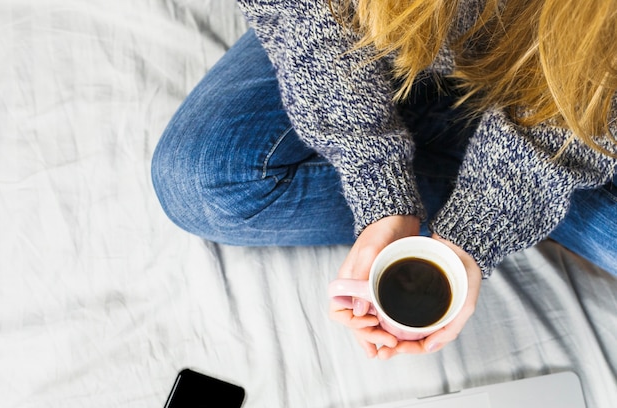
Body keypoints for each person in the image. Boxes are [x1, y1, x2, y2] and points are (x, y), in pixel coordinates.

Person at [151, 0, 617, 359]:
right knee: (198, 184)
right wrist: (379, 190)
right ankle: (523, 190)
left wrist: (482, 224)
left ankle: (518, 183)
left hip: (568, 92)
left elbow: (599, 85)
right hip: (376, 35)